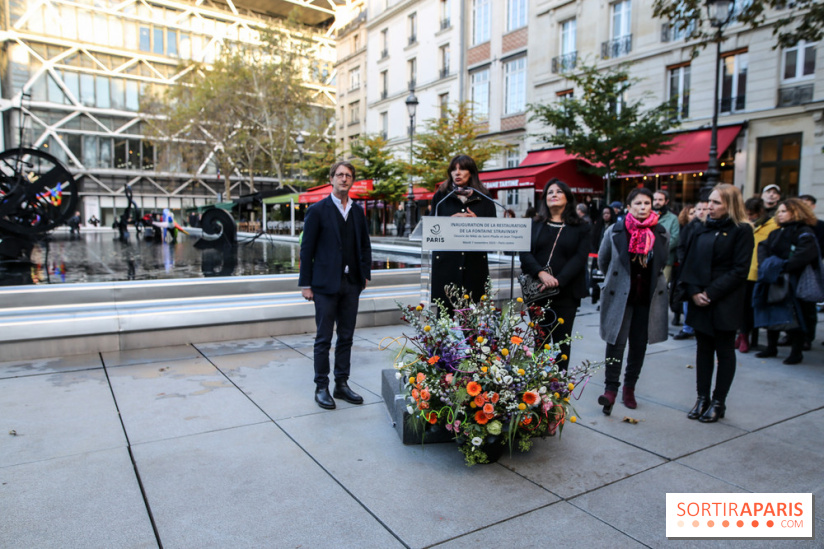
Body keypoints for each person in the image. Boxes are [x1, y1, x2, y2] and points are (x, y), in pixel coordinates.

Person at [299, 161, 372, 410]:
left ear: (352, 180)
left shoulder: (358, 211)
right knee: (323, 338)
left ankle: (341, 384)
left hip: (351, 284)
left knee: (347, 337)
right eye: (339, 175)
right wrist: (305, 284)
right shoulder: (317, 210)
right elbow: (306, 249)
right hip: (324, 285)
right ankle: (322, 387)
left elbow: (364, 245)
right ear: (331, 179)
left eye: (348, 175)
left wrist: (364, 276)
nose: (344, 179)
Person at [678, 184, 753, 423]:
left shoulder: (742, 230)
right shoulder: (700, 228)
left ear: (730, 205)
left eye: (716, 202)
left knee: (724, 350)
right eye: (710, 201)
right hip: (699, 297)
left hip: (724, 299)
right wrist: (693, 292)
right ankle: (702, 398)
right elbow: (687, 262)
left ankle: (718, 401)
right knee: (703, 350)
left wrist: (710, 293)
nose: (710, 206)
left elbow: (740, 269)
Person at [596, 188, 669, 415]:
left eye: (647, 203)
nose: (643, 207)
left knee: (639, 344)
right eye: (638, 203)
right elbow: (603, 261)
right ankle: (610, 390)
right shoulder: (614, 231)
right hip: (620, 296)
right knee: (615, 343)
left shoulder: (660, 232)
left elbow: (662, 262)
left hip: (646, 298)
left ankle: (629, 388)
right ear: (629, 207)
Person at [520, 178, 591, 371]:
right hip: (538, 292)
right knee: (540, 343)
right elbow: (524, 253)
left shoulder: (581, 227)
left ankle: (558, 392)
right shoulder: (534, 224)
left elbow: (579, 258)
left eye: (559, 191)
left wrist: (558, 280)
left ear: (567, 197)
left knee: (562, 344)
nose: (554, 195)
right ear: (545, 199)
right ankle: (536, 389)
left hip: (566, 293)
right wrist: (541, 273)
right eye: (550, 192)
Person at [753, 198, 819, 364]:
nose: (779, 215)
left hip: (794, 282)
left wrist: (781, 266)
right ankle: (771, 348)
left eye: (783, 211)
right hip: (774, 280)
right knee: (772, 313)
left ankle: (796, 352)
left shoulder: (804, 232)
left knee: (795, 317)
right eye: (779, 212)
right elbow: (763, 248)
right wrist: (768, 266)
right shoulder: (776, 232)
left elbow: (803, 255)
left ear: (795, 212)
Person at [429, 154, 497, 315]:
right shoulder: (441, 196)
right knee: (444, 322)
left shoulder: (485, 197)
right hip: (446, 267)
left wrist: (478, 223)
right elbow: (431, 230)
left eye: (462, 169)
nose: (457, 173)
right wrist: (449, 221)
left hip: (474, 268)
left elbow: (493, 235)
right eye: (453, 169)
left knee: (471, 324)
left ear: (471, 172)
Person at [737, 197, 778, 353]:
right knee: (743, 309)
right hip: (744, 272)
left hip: (760, 273)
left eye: (752, 214)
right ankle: (743, 336)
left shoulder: (773, 226)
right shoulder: (745, 225)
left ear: (760, 211)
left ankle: (751, 337)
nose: (749, 217)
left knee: (756, 308)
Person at [673, 196, 709, 340]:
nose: (700, 212)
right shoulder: (690, 227)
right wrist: (684, 261)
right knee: (689, 299)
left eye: (704, 209)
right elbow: (681, 246)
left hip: (705, 272)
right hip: (689, 269)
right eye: (698, 209)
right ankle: (688, 328)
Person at [670, 204, 695, 326]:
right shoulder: (684, 228)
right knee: (679, 293)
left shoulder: (698, 228)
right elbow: (680, 246)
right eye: (691, 213)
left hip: (691, 266)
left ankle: (688, 325)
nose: (695, 215)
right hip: (681, 265)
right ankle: (679, 317)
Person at [590, 205, 616, 304]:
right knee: (596, 277)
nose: (606, 215)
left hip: (610, 256)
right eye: (604, 213)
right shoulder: (598, 226)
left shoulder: (615, 226)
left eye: (608, 213)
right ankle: (595, 296)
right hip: (597, 255)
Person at [652, 190, 680, 282]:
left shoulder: (673, 218)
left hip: (666, 259)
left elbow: (675, 239)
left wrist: (658, 248)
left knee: (661, 287)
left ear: (666, 201)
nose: (657, 202)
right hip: (648, 259)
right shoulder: (647, 216)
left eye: (660, 199)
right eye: (655, 199)